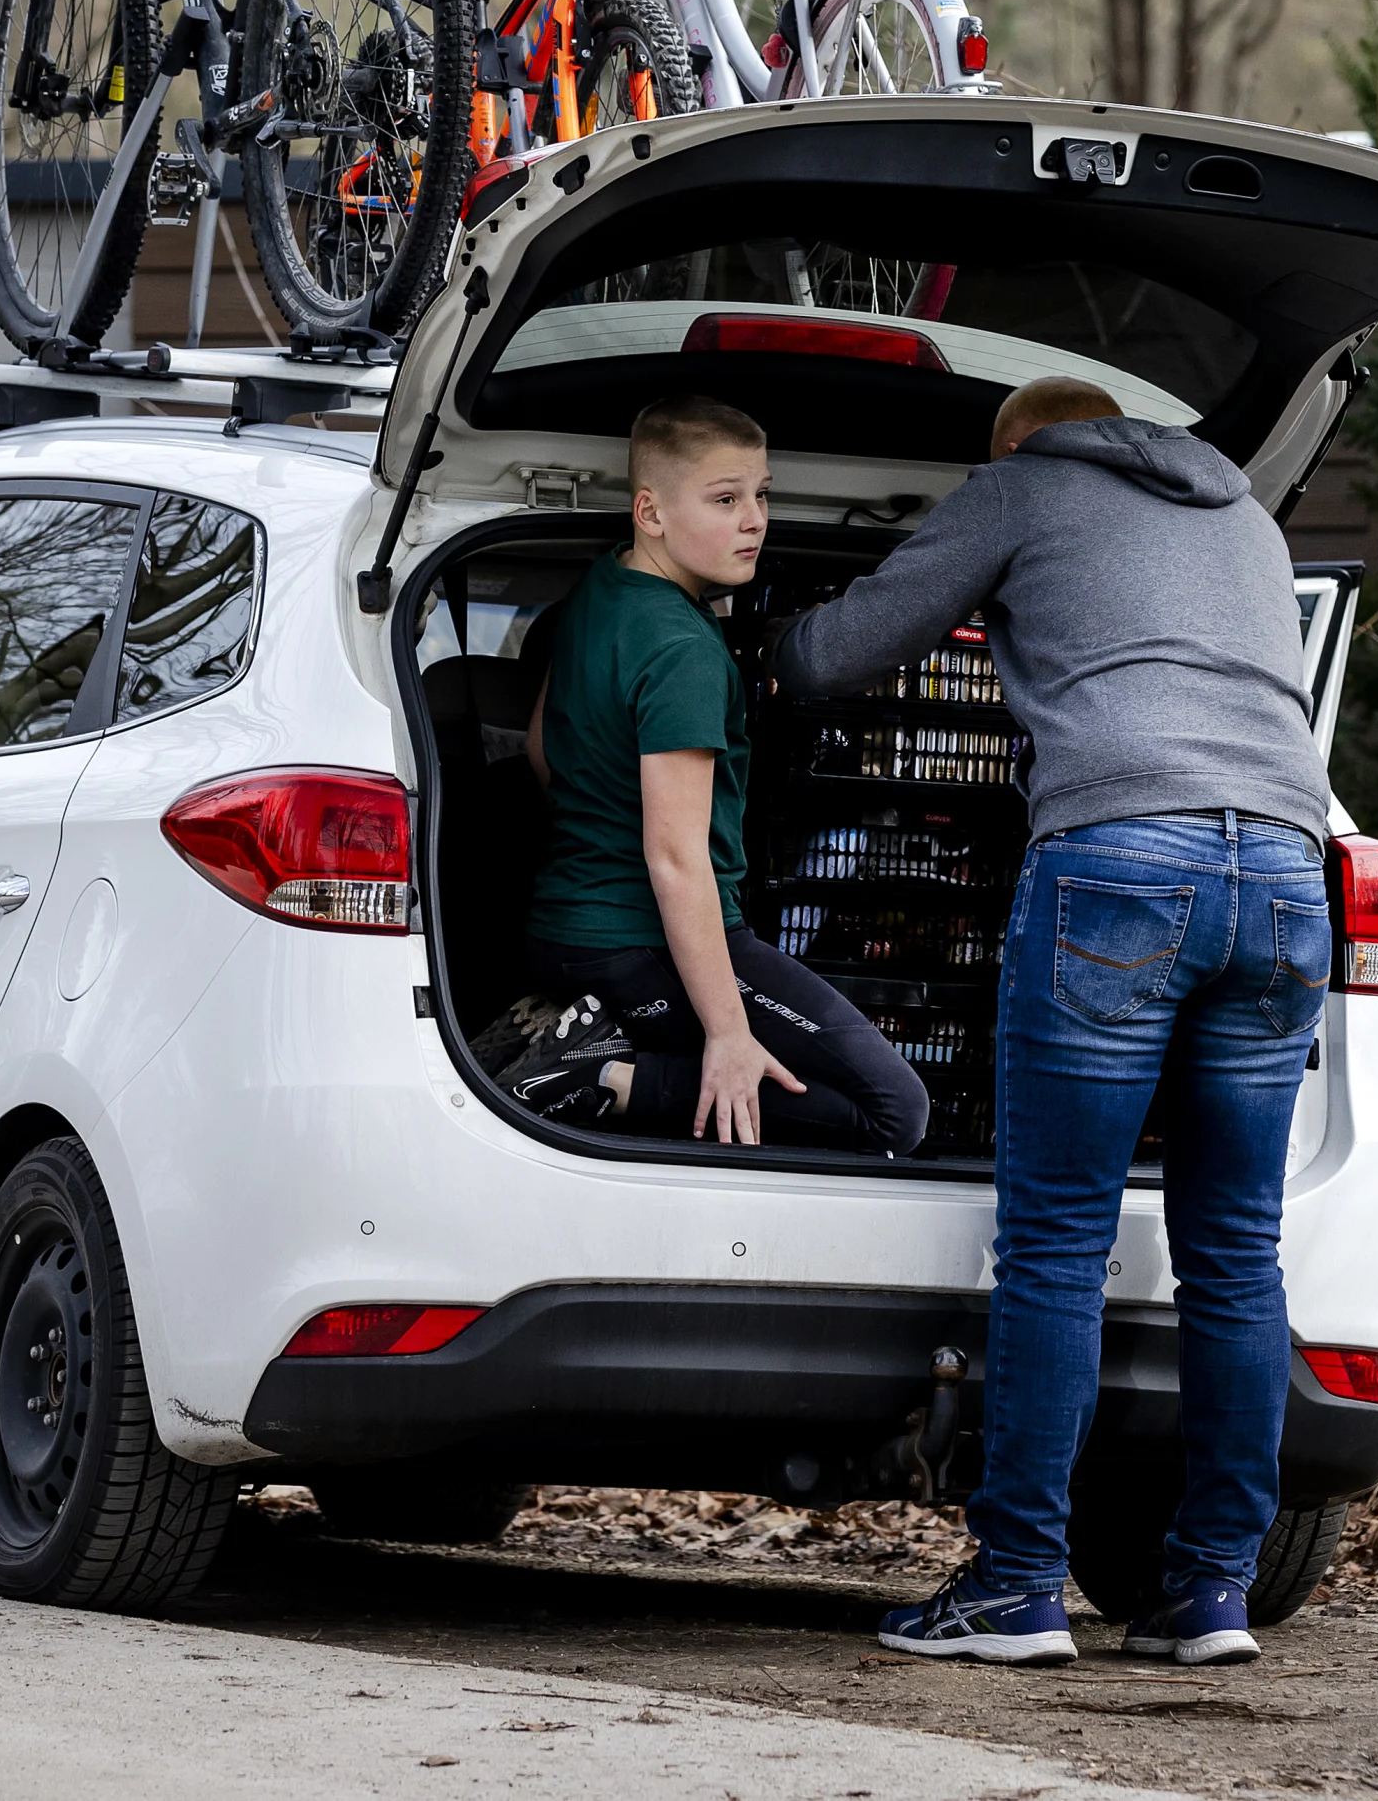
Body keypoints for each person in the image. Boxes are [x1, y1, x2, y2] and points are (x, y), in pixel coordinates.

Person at [776, 376, 1334, 1670]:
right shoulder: (1247, 512)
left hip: (1123, 861)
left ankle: (1019, 1583)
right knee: (1238, 1253)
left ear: (1021, 442)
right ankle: (1207, 1593)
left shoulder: (1024, 482)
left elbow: (831, 655)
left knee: (1058, 1242)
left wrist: (764, 626)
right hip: (1291, 877)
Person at [495, 394, 928, 1154]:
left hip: (563, 930)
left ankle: (598, 1049)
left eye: (762, 494)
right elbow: (676, 860)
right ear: (651, 511)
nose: (755, 519)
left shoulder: (599, 592)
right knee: (894, 1112)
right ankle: (596, 1075)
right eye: (725, 500)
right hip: (641, 941)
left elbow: (540, 748)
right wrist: (726, 1034)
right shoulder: (682, 651)